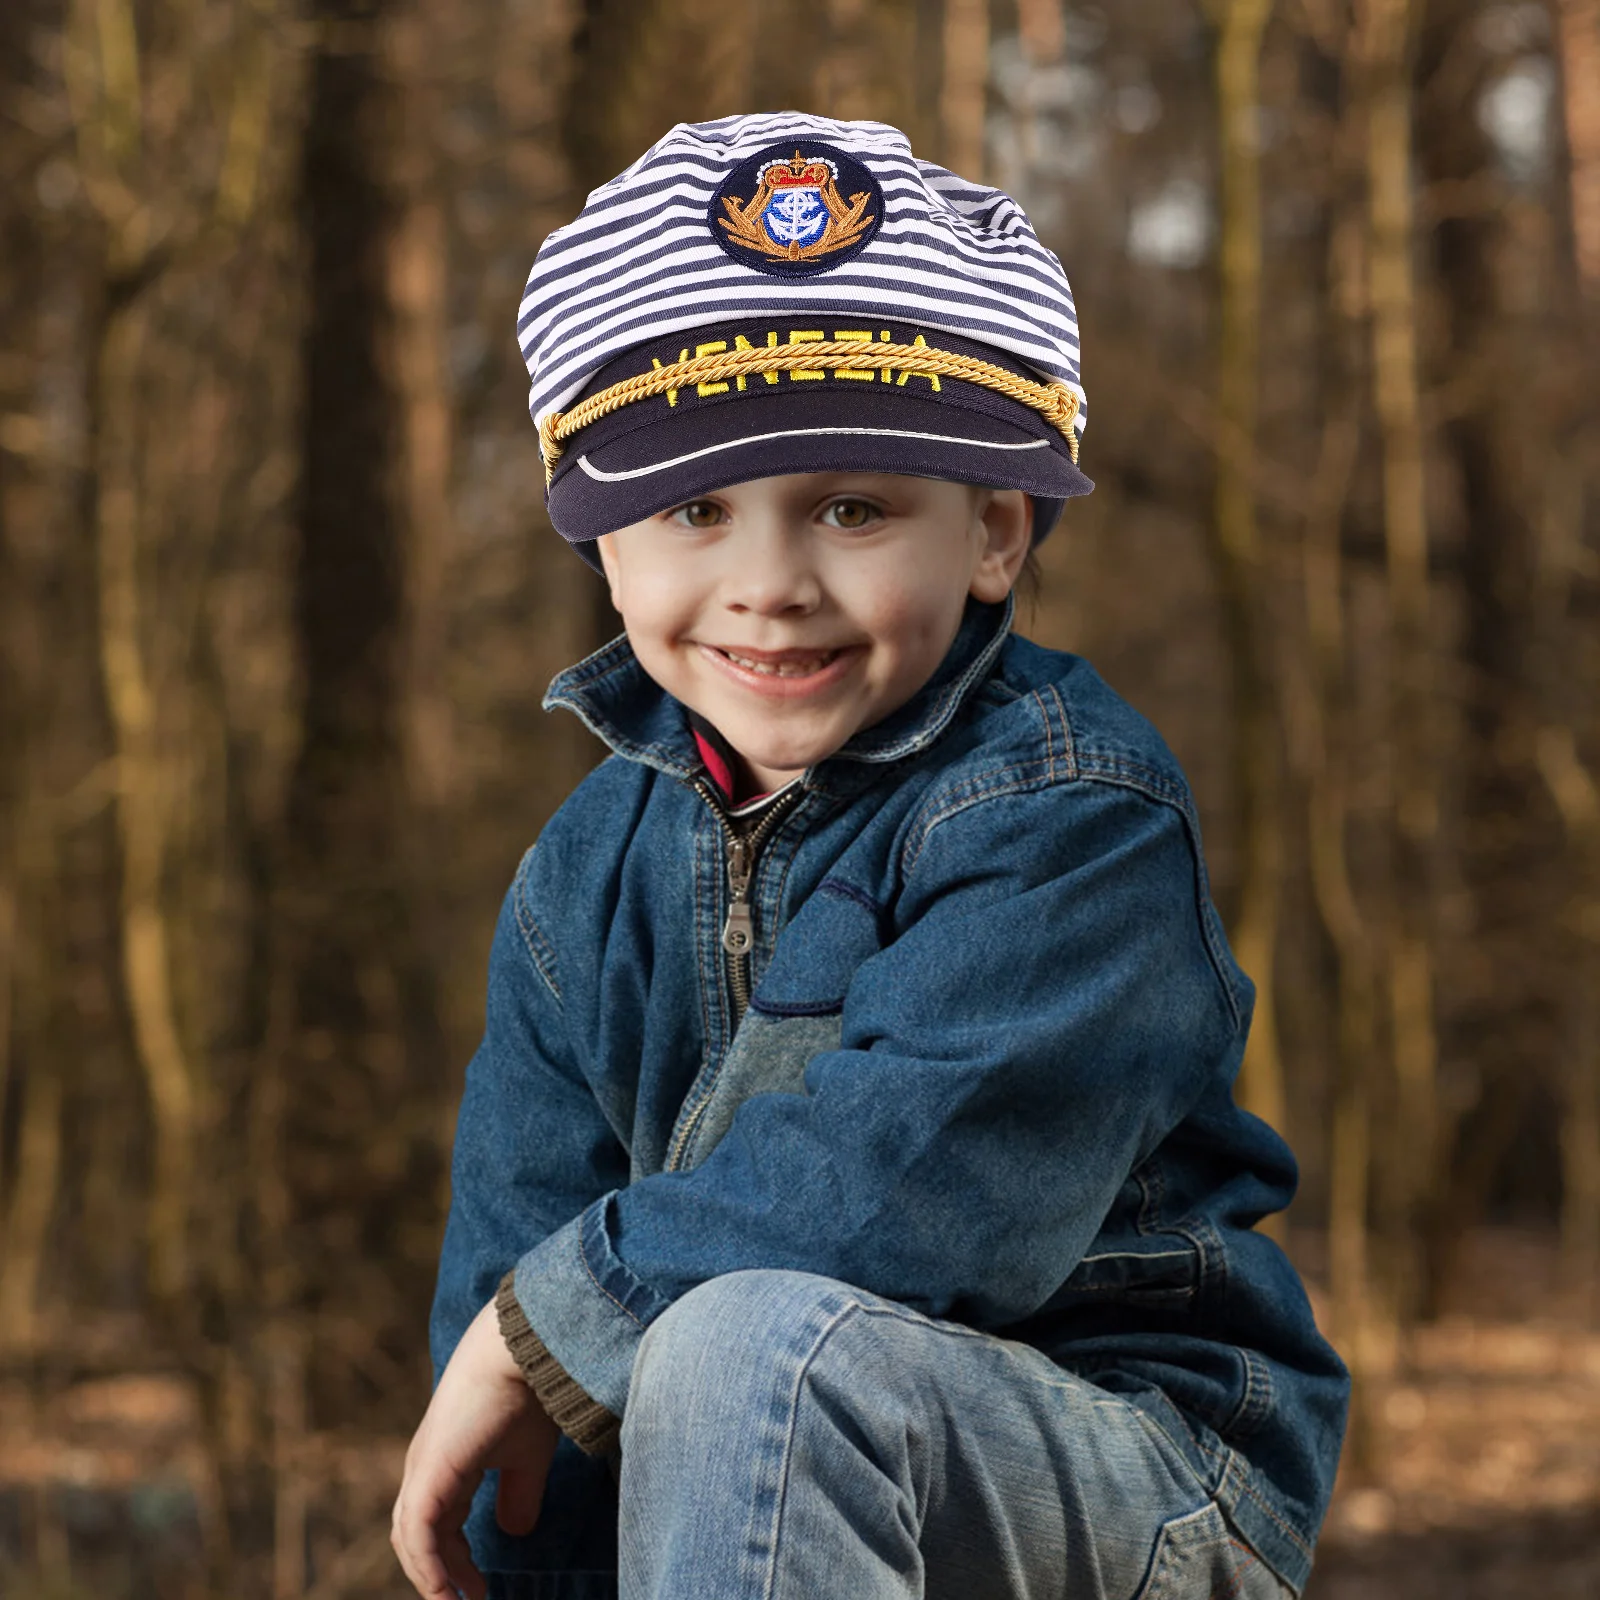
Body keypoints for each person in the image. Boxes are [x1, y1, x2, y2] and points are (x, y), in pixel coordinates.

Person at [390, 114, 1348, 1600]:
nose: (768, 584)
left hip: (1137, 1479)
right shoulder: (575, 890)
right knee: (635, 1382)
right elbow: (515, 1321)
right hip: (760, 1513)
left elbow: (916, 1179)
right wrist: (511, 1497)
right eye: (695, 509)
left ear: (994, 532)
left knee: (742, 1341)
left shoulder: (1068, 812)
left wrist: (567, 1316)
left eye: (852, 506)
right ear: (606, 549)